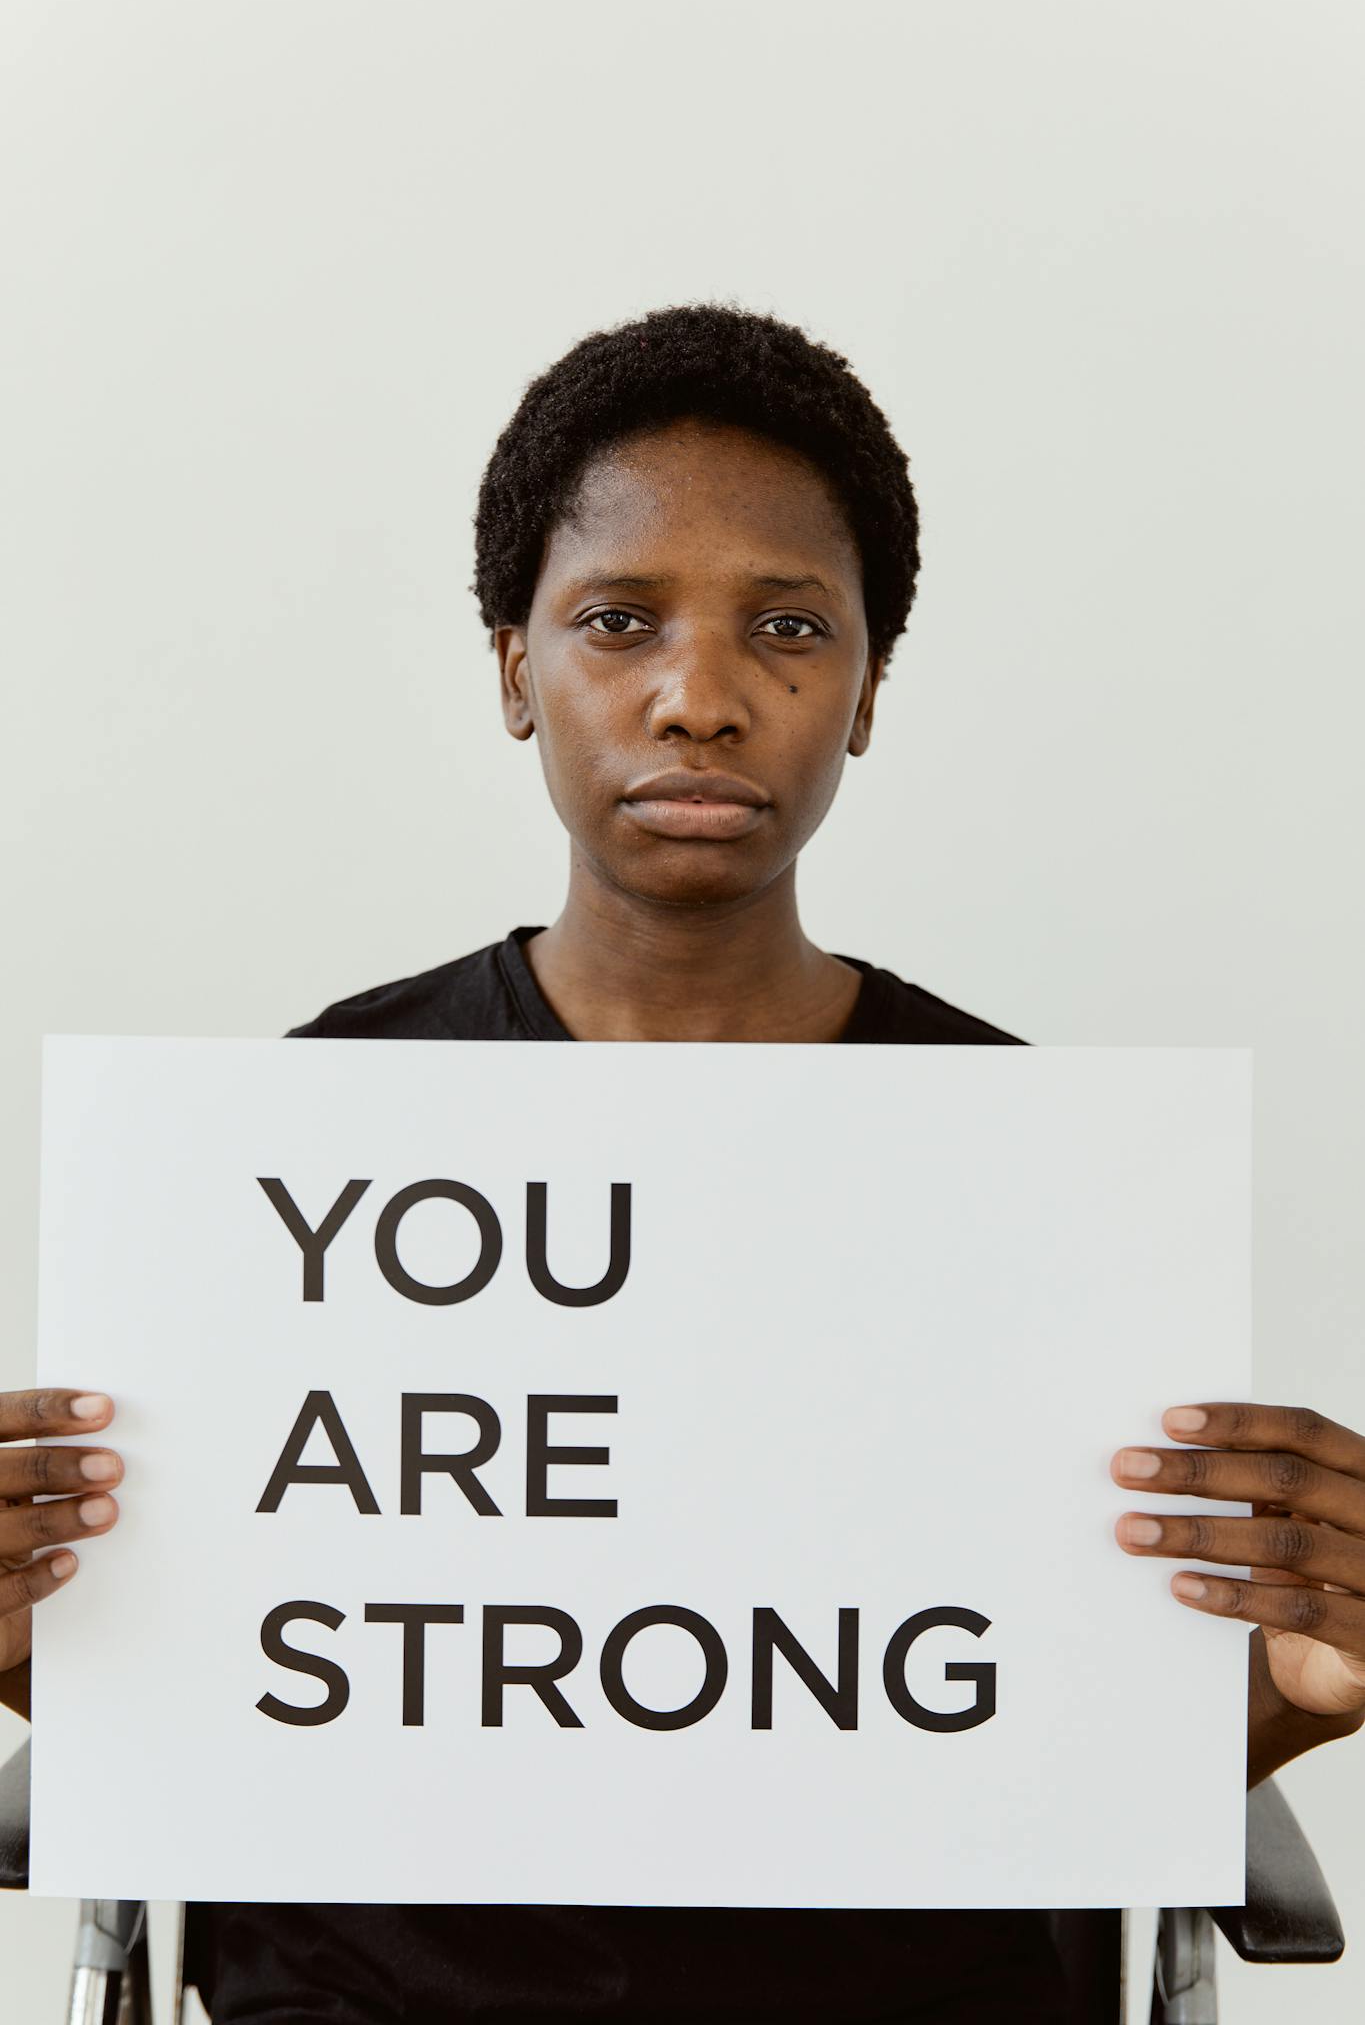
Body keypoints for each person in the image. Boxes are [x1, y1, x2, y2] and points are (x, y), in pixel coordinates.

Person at [4, 303, 1365, 2021]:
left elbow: (1034, 1720)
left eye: (787, 627)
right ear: (517, 671)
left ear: (865, 689)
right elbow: (302, 1677)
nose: (701, 699)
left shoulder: (1027, 1163)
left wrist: (1296, 1695)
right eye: (617, 622)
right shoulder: (327, 1121)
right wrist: (41, 1644)